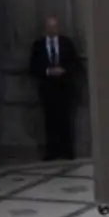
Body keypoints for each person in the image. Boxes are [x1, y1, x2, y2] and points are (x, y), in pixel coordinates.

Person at [30, 15, 81, 160]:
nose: (52, 29)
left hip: (64, 87)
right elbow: (33, 66)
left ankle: (68, 151)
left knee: (66, 120)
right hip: (47, 89)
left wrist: (63, 70)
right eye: (49, 27)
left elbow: (75, 63)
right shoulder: (38, 45)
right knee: (50, 121)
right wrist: (47, 71)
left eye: (55, 26)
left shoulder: (66, 43)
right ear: (45, 28)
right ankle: (52, 152)